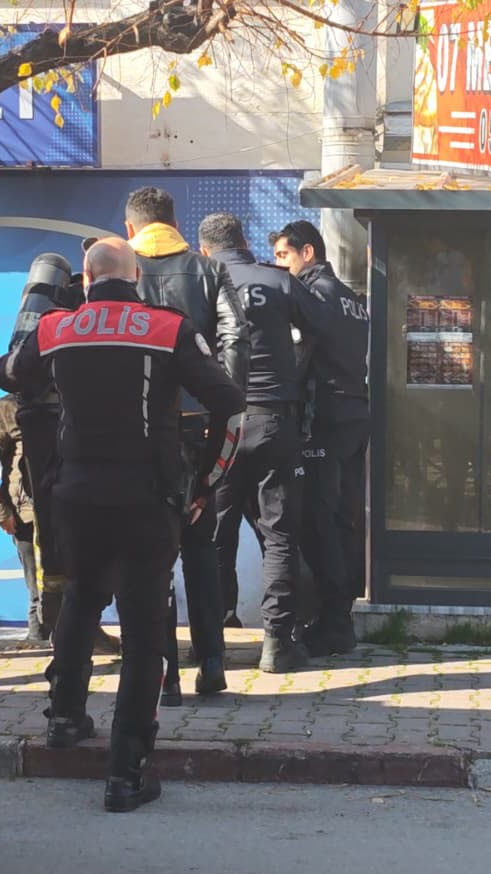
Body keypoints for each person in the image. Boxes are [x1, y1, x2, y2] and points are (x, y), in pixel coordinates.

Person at [0, 236, 244, 812]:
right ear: (137, 279)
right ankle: (126, 773)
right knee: (143, 631)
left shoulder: (58, 328)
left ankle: (64, 718)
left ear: (85, 279)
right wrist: (206, 481)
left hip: (75, 496)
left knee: (81, 600)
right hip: (147, 499)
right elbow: (231, 407)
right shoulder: (167, 328)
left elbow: (10, 373)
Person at [125, 187, 250, 698]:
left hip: (139, 429)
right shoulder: (208, 271)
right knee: (201, 544)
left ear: (131, 227)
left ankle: (165, 674)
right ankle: (213, 659)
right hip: (200, 423)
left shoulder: (119, 270)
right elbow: (236, 336)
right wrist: (225, 394)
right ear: (176, 223)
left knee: (151, 551)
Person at [199, 213, 332, 673]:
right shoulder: (275, 281)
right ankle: (277, 643)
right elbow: (320, 324)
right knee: (279, 535)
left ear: (205, 249)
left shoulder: (202, 279)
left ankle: (212, 640)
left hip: (219, 425)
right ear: (245, 244)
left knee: (215, 537)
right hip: (276, 419)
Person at [0, 252, 121, 652]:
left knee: (64, 549)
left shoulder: (43, 335)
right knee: (66, 552)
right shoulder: (13, 407)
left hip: (51, 459)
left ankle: (69, 635)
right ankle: (59, 634)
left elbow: (7, 371)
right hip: (53, 476)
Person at [271, 220, 370, 656]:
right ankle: (339, 614)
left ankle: (332, 621)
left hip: (323, 418)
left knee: (319, 520)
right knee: (345, 518)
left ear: (307, 253)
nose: (281, 267)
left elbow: (297, 358)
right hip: (353, 414)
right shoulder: (351, 299)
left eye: (283, 257)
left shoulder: (312, 295)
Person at [0, 394, 42, 633]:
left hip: (68, 509)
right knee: (39, 594)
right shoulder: (6, 408)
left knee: (73, 589)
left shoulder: (70, 394)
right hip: (27, 516)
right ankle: (39, 648)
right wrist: (1, 511)